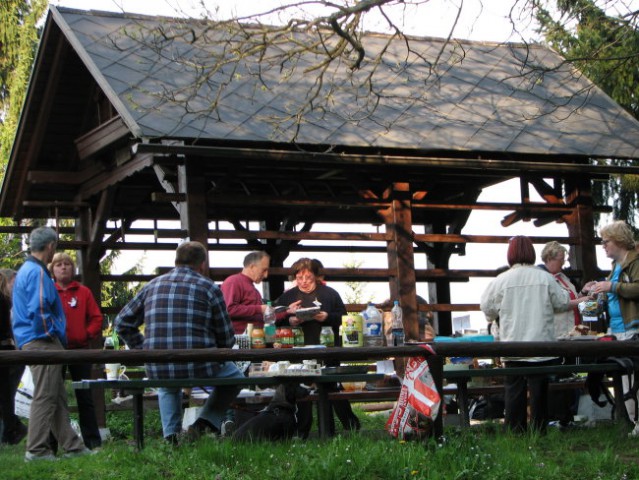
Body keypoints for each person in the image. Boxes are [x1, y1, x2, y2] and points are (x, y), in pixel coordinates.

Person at [115, 241, 244, 445]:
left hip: (160, 366)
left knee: (167, 385)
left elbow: (122, 323)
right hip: (201, 365)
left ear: (175, 260)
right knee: (236, 377)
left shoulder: (152, 286)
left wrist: (143, 350)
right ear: (202, 264)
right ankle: (204, 424)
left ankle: (171, 438)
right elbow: (226, 338)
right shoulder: (209, 288)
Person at [11, 226, 91, 461]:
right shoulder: (36, 273)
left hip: (32, 339)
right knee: (46, 395)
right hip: (41, 341)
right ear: (50, 247)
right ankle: (36, 450)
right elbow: (40, 307)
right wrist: (50, 335)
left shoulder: (25, 269)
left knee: (56, 395)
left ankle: (73, 446)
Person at [480, 235, 570, 433]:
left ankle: (515, 432)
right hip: (542, 346)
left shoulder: (501, 280)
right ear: (532, 253)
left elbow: (487, 309)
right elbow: (562, 303)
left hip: (513, 346)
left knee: (514, 392)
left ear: (510, 254)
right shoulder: (545, 277)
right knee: (539, 393)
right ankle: (539, 431)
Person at [275, 257, 360, 436]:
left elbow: (344, 319)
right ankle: (302, 432)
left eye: (308, 277)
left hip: (327, 349)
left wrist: (327, 317)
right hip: (298, 351)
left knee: (332, 388)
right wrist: (290, 319)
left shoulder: (329, 293)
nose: (304, 282)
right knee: (303, 391)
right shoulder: (288, 296)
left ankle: (347, 427)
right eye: (299, 278)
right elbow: (274, 318)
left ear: (316, 276)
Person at [49, 252, 103, 449]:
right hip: (54, 351)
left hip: (80, 350)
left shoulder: (83, 292)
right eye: (59, 265)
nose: (63, 267)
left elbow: (96, 318)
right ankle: (51, 444)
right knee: (52, 395)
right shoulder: (48, 292)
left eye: (67, 264)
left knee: (85, 397)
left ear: (73, 269)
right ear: (52, 270)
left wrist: (86, 334)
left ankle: (92, 442)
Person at [589, 220, 639, 422]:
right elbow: (610, 297)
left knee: (634, 378)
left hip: (634, 328)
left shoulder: (635, 262)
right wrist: (593, 294)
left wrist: (611, 287)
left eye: (605, 241)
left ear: (618, 241)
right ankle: (635, 423)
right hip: (617, 330)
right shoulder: (615, 267)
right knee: (626, 380)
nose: (603, 245)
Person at [538, 241, 591, 338]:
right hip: (559, 332)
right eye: (561, 259)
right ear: (549, 259)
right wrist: (580, 301)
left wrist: (583, 292)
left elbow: (572, 300)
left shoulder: (563, 277)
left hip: (575, 329)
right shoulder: (542, 280)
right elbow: (558, 304)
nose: (563, 262)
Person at [0, 268, 27, 445]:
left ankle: (11, 429)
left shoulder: (10, 302)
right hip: (7, 351)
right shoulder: (6, 302)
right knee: (6, 395)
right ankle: (12, 429)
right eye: (13, 283)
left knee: (7, 394)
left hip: (11, 351)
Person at [220, 251, 272, 334]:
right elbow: (228, 310)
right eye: (264, 270)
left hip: (255, 339)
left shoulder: (251, 286)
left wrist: (287, 311)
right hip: (238, 341)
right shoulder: (233, 281)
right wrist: (259, 309)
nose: (266, 275)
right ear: (252, 267)